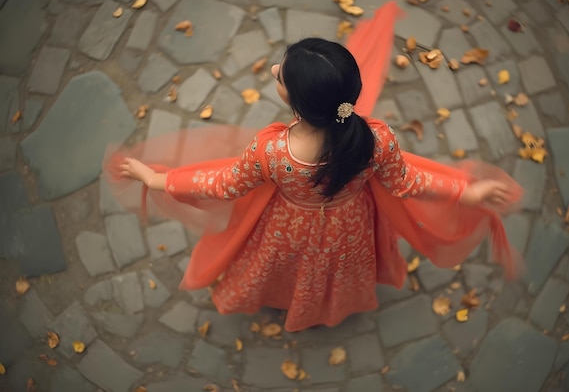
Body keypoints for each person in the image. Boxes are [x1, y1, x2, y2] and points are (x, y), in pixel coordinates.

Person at [116, 35, 522, 332]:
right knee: (332, 272)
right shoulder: (375, 140)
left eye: (282, 77)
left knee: (286, 268)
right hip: (349, 228)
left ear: (296, 103)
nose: (275, 71)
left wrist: (159, 178)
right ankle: (326, 307)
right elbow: (408, 182)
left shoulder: (270, 152)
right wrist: (467, 191)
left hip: (287, 229)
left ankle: (290, 303)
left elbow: (221, 184)